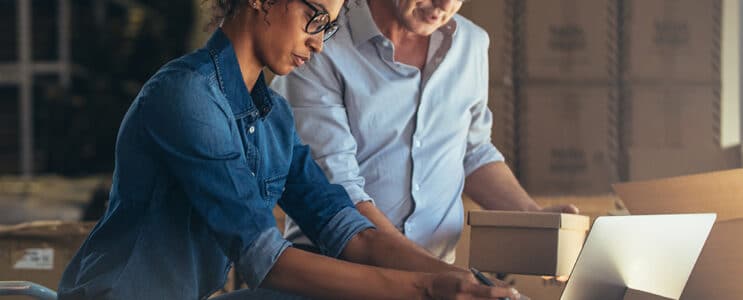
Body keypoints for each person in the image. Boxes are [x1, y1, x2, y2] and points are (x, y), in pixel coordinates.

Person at [57, 0, 520, 299]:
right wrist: (426, 288)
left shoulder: (271, 116)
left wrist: (464, 281)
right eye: (313, 17)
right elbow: (263, 259)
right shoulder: (188, 96)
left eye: (330, 27)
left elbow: (348, 231)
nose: (318, 42)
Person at [271, 0, 579, 262]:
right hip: (335, 274)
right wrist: (432, 277)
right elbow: (336, 191)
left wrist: (536, 221)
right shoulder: (320, 43)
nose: (445, 6)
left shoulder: (471, 44)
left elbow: (471, 153)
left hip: (434, 276)